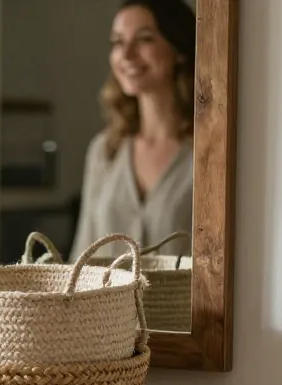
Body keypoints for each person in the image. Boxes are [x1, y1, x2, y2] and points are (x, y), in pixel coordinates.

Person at [70, 0, 195, 261]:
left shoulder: (204, 152)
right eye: (117, 42)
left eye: (144, 39)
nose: (126, 54)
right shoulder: (104, 150)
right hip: (105, 303)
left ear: (179, 49)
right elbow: (82, 253)